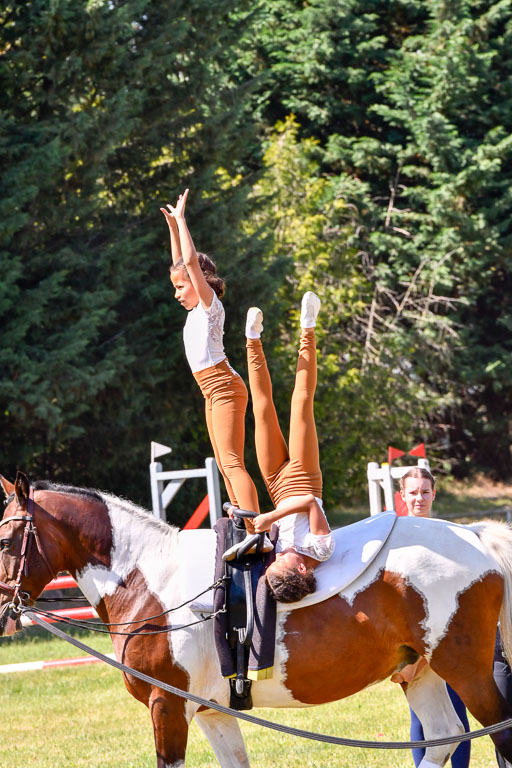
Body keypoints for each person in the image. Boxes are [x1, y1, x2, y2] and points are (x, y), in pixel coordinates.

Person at [224, 292, 334, 602]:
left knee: (262, 410)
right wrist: (271, 517)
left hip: (275, 482)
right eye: (278, 565)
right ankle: (308, 328)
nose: (273, 561)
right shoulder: (321, 551)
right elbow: (311, 503)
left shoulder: (283, 552)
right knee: (301, 404)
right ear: (301, 570)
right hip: (303, 476)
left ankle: (252, 339)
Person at [160, 189, 261, 522]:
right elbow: (182, 265)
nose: (176, 294)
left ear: (198, 281)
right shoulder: (194, 308)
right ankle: (243, 528)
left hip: (224, 387)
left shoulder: (208, 307)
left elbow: (189, 264)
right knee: (222, 462)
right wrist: (174, 228)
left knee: (232, 462)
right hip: (211, 391)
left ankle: (256, 530)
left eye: (180, 287)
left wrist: (184, 221)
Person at [392, 467, 471, 768]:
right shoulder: (395, 537)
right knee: (420, 712)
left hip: (449, 637)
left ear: (434, 494)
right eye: (413, 492)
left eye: (425, 491)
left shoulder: (450, 535)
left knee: (457, 708)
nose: (419, 498)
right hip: (411, 640)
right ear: (402, 496)